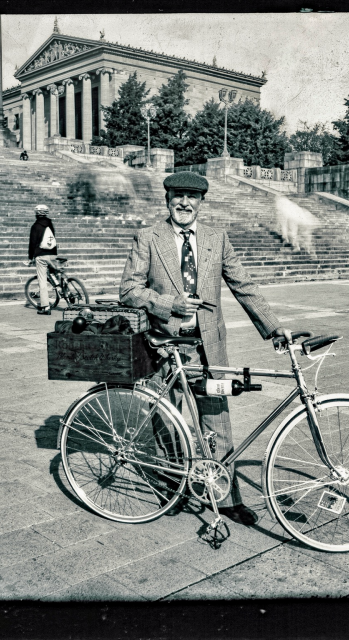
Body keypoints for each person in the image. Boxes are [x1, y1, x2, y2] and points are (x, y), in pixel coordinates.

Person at [119, 172, 287, 526]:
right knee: (169, 418)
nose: (184, 203)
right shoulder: (148, 238)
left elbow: (244, 285)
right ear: (167, 199)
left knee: (216, 417)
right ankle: (174, 484)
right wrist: (169, 304)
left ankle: (225, 497)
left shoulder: (216, 238)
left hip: (209, 345)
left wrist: (273, 328)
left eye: (192, 197)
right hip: (166, 346)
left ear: (201, 202)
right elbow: (129, 290)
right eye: (178, 195)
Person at [28, 204, 58, 315]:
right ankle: (62, 289)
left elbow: (32, 244)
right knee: (56, 273)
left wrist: (31, 257)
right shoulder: (50, 224)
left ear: (36, 214)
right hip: (52, 254)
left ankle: (45, 307)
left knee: (42, 281)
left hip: (41, 255)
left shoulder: (35, 226)